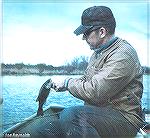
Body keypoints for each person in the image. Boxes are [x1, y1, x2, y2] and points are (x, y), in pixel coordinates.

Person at [38, 6, 145, 138]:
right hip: (101, 115)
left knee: (71, 115)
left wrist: (67, 83)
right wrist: (63, 84)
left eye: (86, 33)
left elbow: (95, 91)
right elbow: (86, 80)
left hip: (125, 119)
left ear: (102, 32)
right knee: (45, 130)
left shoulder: (123, 54)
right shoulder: (97, 53)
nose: (83, 38)